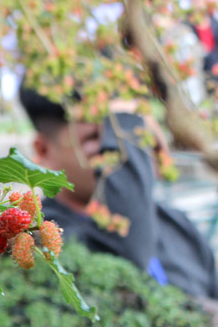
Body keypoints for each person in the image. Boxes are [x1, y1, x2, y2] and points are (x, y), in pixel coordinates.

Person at [19, 85, 218, 299]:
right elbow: (130, 258)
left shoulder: (175, 223)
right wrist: (125, 118)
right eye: (103, 139)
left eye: (137, 139)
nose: (124, 153)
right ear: (43, 150)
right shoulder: (46, 241)